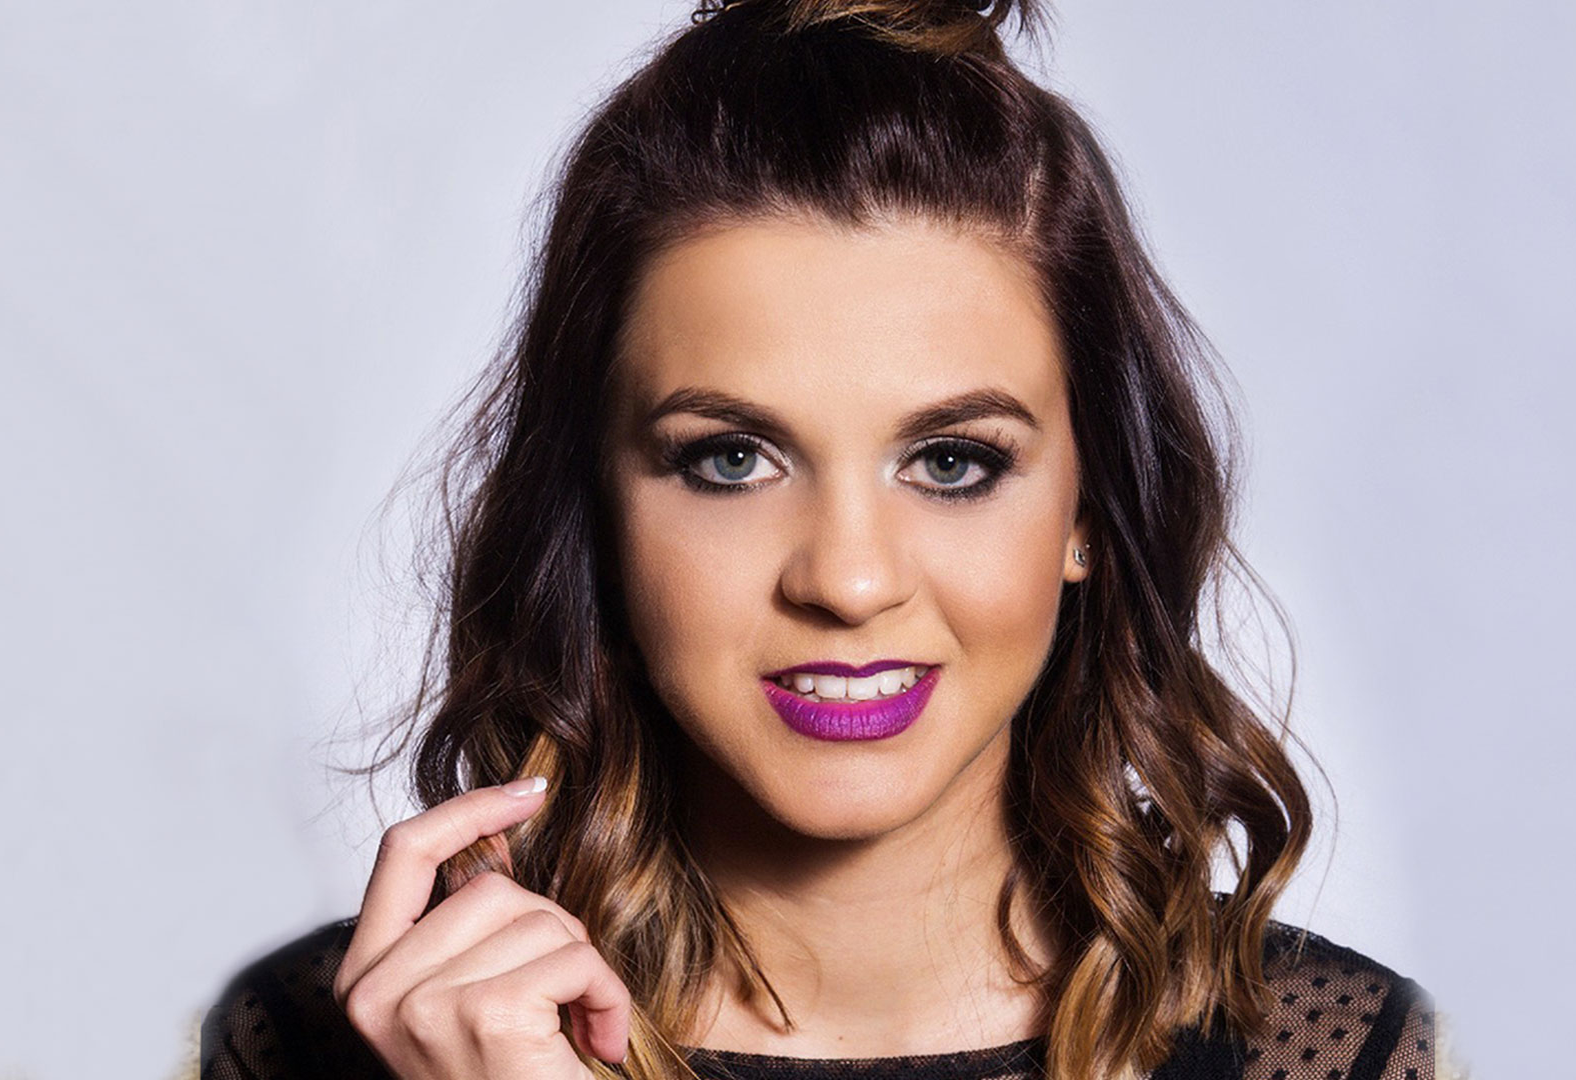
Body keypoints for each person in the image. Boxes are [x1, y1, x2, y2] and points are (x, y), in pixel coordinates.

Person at [201, 1, 1434, 1078]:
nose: (848, 580)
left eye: (953, 465)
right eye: (730, 460)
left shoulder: (1340, 1053)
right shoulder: (300, 1042)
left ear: (1090, 516)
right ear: (599, 509)